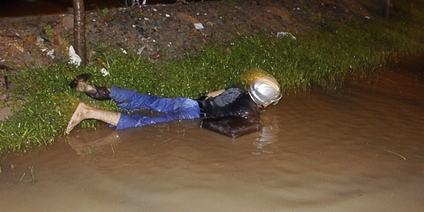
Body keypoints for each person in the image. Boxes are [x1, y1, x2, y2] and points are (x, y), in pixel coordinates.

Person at [65, 73, 282, 138]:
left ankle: (94, 89)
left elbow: (209, 94)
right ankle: (87, 111)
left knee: (144, 100)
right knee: (144, 123)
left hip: (188, 102)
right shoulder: (251, 116)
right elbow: (227, 131)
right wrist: (256, 126)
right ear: (265, 102)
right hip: (191, 116)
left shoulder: (238, 89)